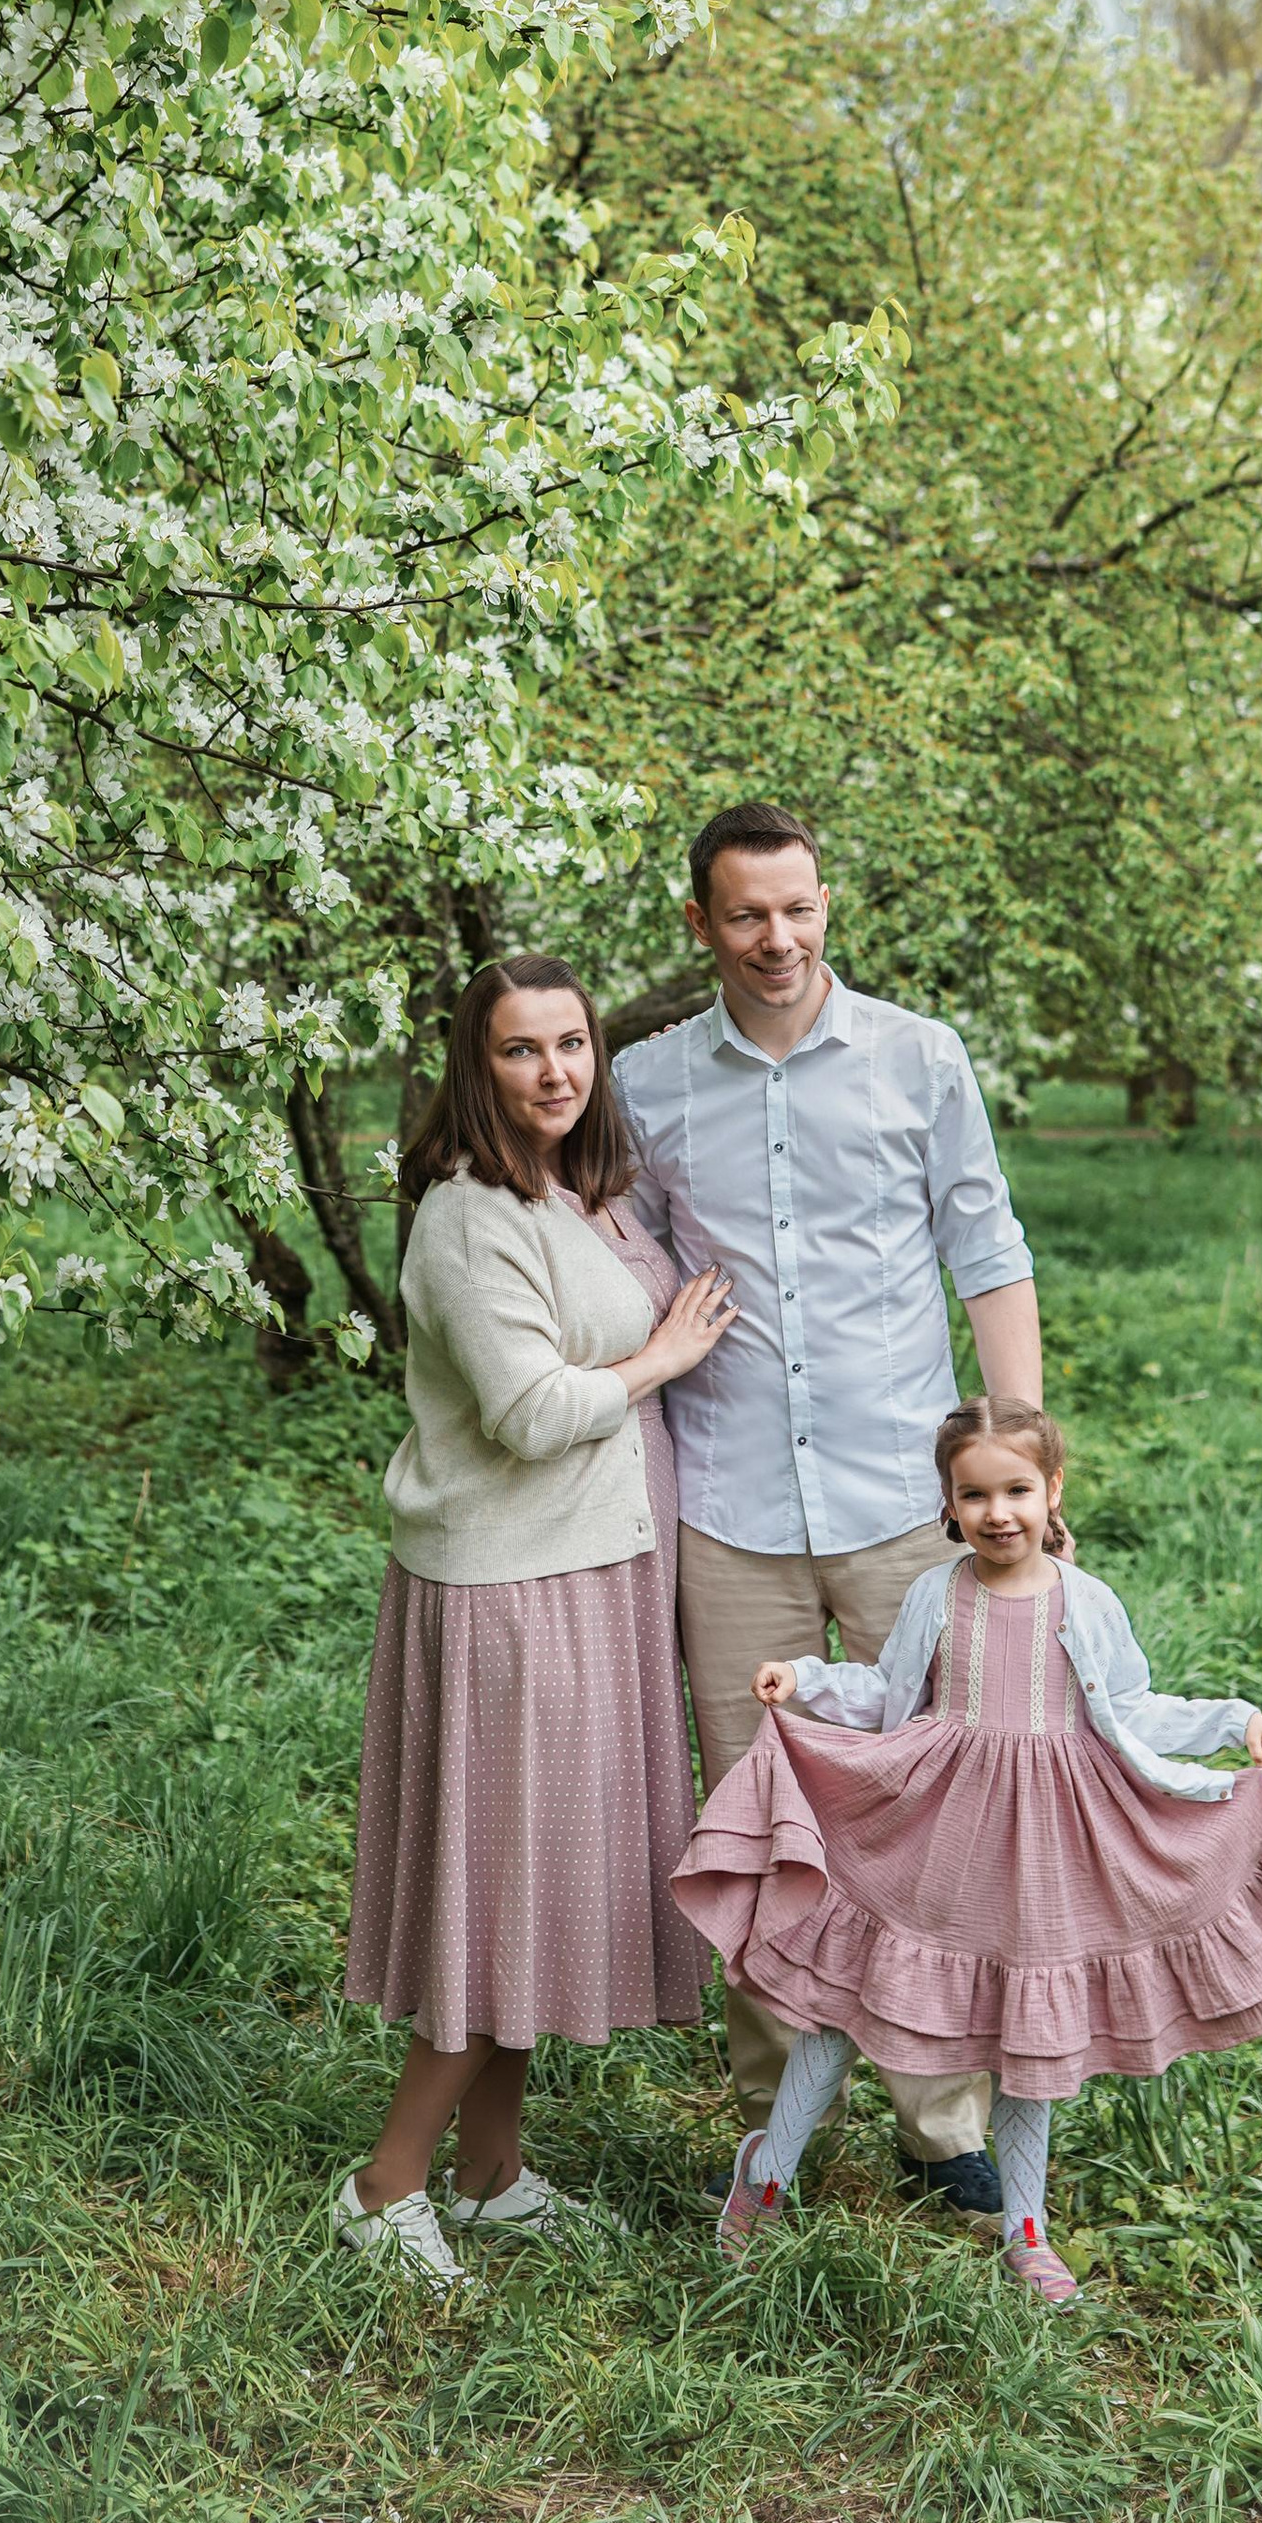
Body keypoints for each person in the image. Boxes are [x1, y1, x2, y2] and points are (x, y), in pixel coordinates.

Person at [676, 1395, 1262, 2302]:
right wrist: (805, 1679)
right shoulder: (938, 1593)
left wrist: (1233, 1720)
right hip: (936, 1831)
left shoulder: (1085, 1604)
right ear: (949, 1504)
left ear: (1053, 1491)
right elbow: (889, 1693)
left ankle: (1026, 2227)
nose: (997, 1513)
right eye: (974, 1496)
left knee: (1030, 2029)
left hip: (1050, 1847)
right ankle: (765, 2179)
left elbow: (1133, 1708)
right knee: (847, 2003)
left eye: (1016, 1490)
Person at [613, 801, 1038, 2212]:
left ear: (827, 904)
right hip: (729, 1508)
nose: (776, 938)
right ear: (700, 925)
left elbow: (987, 1250)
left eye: (797, 908)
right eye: (745, 914)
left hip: (900, 1510)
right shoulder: (648, 1084)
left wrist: (1014, 1457)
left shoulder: (920, 1058)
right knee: (757, 1822)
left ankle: (941, 2128)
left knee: (935, 1808)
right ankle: (767, 2128)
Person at [335, 953, 740, 2290]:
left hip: (594, 1571)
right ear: (476, 1065)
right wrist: (663, 1362)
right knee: (499, 1891)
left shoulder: (569, 1188)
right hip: (515, 1589)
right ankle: (384, 2187)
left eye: (573, 1045)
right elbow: (525, 1410)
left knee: (530, 1884)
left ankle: (492, 2174)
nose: (556, 1072)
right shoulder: (466, 1214)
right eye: (522, 1050)